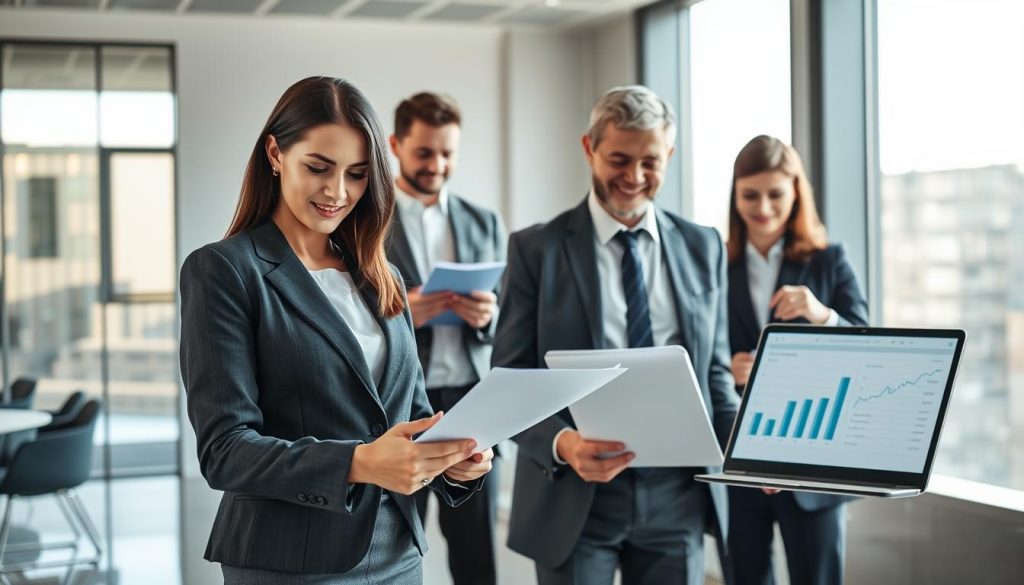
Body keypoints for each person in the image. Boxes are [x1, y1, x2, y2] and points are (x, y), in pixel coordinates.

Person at [178, 76, 493, 584]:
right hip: (289, 560)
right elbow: (225, 451)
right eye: (318, 168)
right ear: (275, 153)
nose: (337, 192)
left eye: (358, 175)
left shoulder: (380, 275)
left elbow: (408, 413)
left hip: (399, 552)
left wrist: (453, 459)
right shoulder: (225, 270)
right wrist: (360, 462)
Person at [491, 85, 739, 585]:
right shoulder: (536, 249)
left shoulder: (702, 245)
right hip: (575, 495)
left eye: (650, 161)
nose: (634, 177)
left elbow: (714, 374)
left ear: (669, 154)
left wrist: (750, 452)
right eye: (619, 159)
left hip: (678, 497)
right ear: (590, 148)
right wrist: (562, 443)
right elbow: (509, 381)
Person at [723, 135, 868, 585]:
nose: (762, 206)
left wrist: (821, 314)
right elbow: (696, 346)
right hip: (738, 454)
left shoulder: (828, 261)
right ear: (735, 196)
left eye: (775, 194)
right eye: (750, 194)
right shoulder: (714, 262)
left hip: (812, 460)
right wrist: (728, 369)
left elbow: (871, 348)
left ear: (795, 194)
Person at [386, 92, 505, 585]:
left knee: (475, 547)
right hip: (399, 405)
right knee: (392, 540)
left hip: (472, 400)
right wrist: (400, 313)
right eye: (424, 152)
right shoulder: (366, 220)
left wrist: (487, 316)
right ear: (395, 145)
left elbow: (508, 320)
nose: (437, 165)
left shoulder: (484, 221)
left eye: (447, 153)